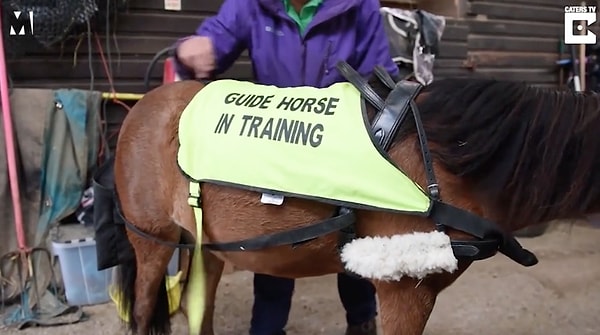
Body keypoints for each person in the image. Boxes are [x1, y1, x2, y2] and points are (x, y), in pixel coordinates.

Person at [173, 0, 399, 334]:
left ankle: (362, 318)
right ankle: (266, 328)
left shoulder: (358, 5)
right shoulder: (251, 4)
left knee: (354, 234)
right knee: (274, 238)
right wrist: (190, 50)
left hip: (340, 141)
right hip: (277, 144)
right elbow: (216, 40)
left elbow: (381, 78)